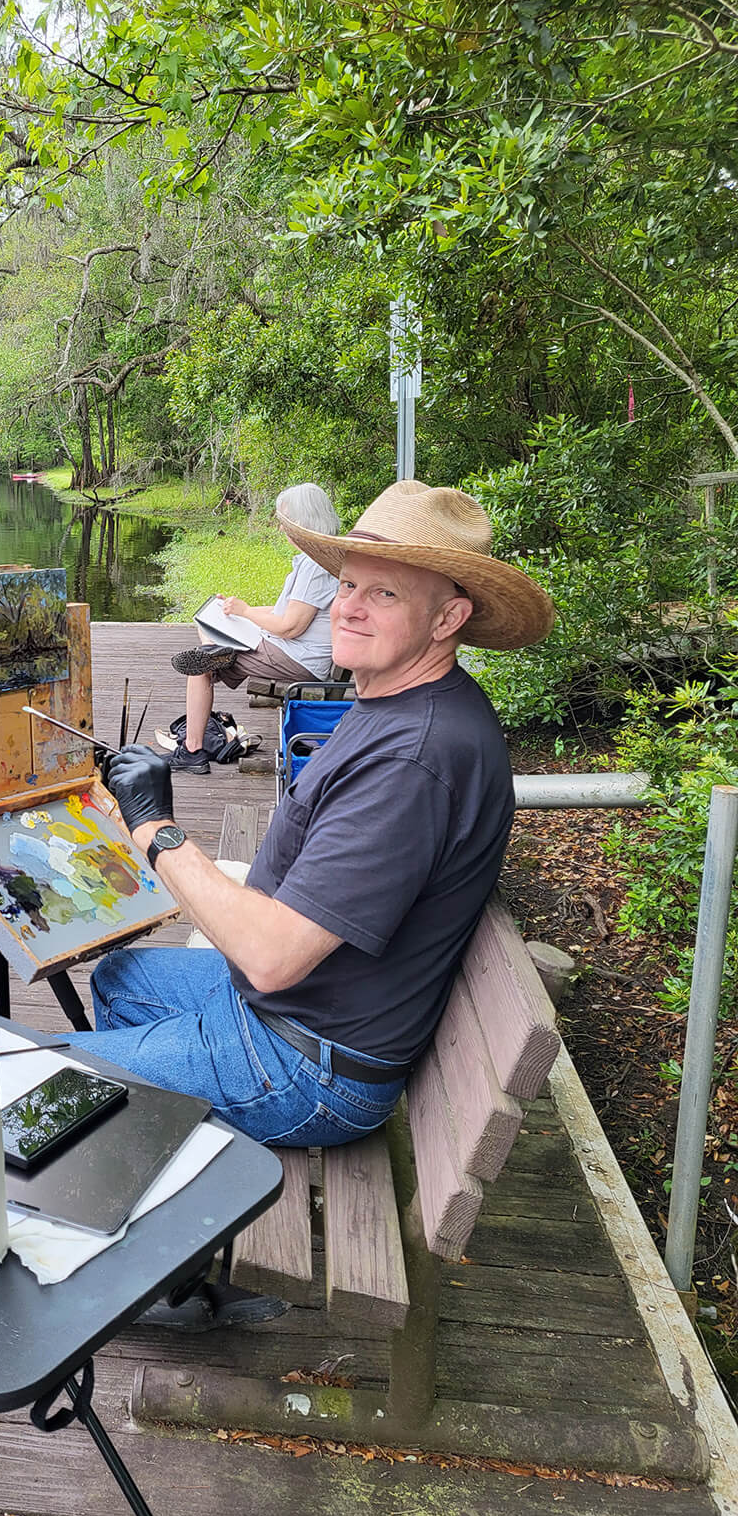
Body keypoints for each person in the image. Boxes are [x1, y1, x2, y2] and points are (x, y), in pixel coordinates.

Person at [86, 479, 554, 1157]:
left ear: (447, 620)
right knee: (117, 979)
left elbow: (273, 958)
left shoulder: (415, 761)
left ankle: (129, 1144)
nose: (349, 609)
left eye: (384, 594)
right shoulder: (402, 698)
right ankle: (133, 1137)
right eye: (348, 586)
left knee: (30, 1076)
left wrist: (156, 826)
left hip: (309, 1065)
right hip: (303, 1007)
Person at [164, 482, 342, 774]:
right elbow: (280, 611)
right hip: (294, 650)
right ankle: (216, 651)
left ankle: (192, 750)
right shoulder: (318, 558)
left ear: (303, 521)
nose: (282, 529)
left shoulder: (315, 565)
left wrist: (246, 612)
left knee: (200, 663)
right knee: (209, 636)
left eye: (286, 522)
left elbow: (289, 626)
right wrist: (234, 612)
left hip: (299, 657)